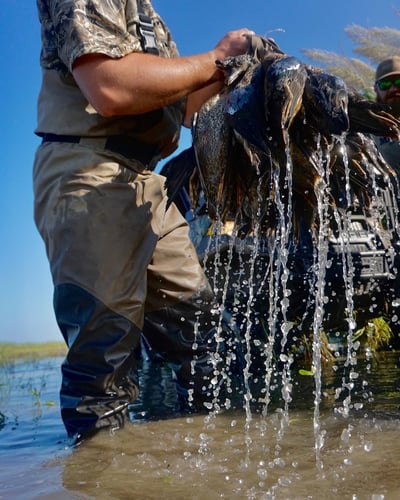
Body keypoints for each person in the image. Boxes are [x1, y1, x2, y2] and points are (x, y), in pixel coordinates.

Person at [33, 0, 256, 442]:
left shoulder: (152, 19)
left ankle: (206, 463)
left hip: (145, 181)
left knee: (209, 341)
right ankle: (102, 477)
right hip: (88, 171)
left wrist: (237, 71)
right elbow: (110, 86)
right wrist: (217, 55)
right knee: (103, 357)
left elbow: (186, 109)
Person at [374, 55, 400, 172]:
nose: (393, 89)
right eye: (385, 84)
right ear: (376, 89)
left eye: (399, 82)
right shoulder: (366, 132)